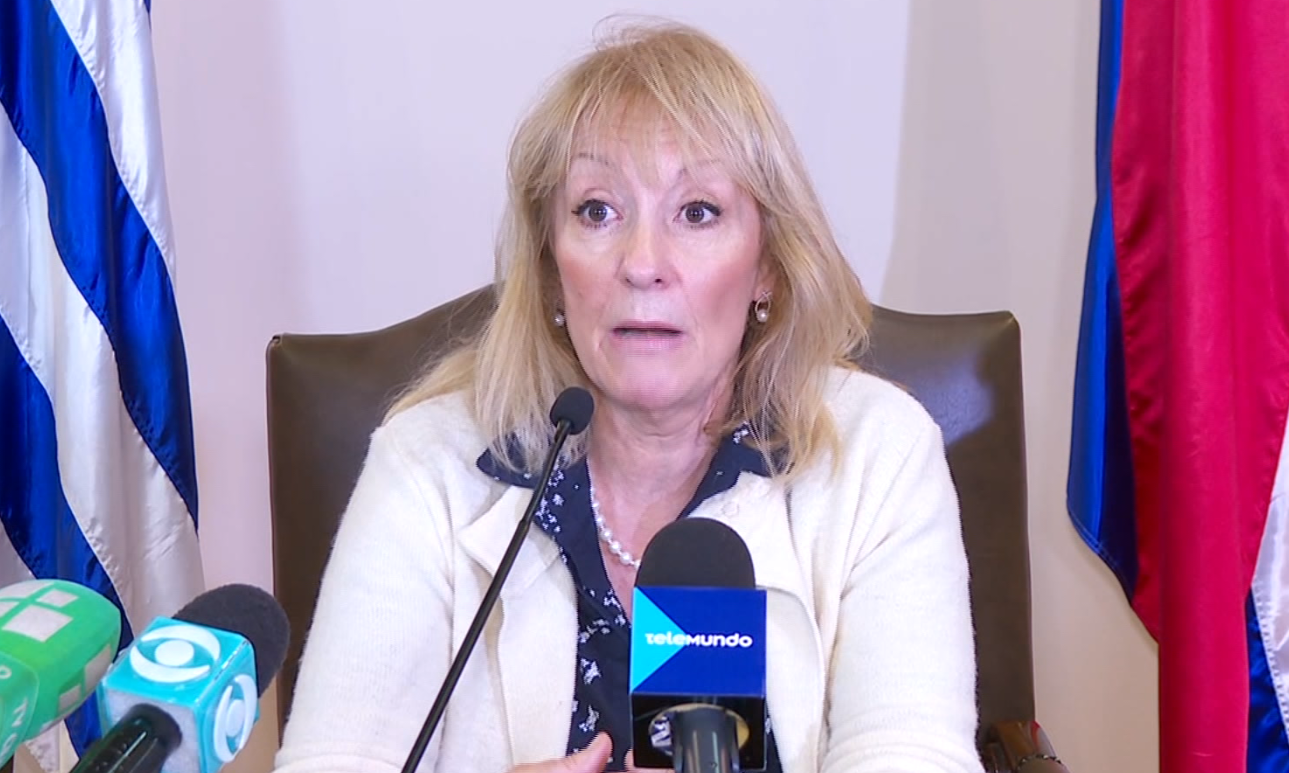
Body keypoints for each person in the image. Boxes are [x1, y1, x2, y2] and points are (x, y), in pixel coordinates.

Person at [273, 17, 983, 773]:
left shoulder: (877, 456)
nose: (642, 264)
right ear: (550, 270)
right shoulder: (427, 466)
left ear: (768, 269)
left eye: (697, 212)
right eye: (597, 211)